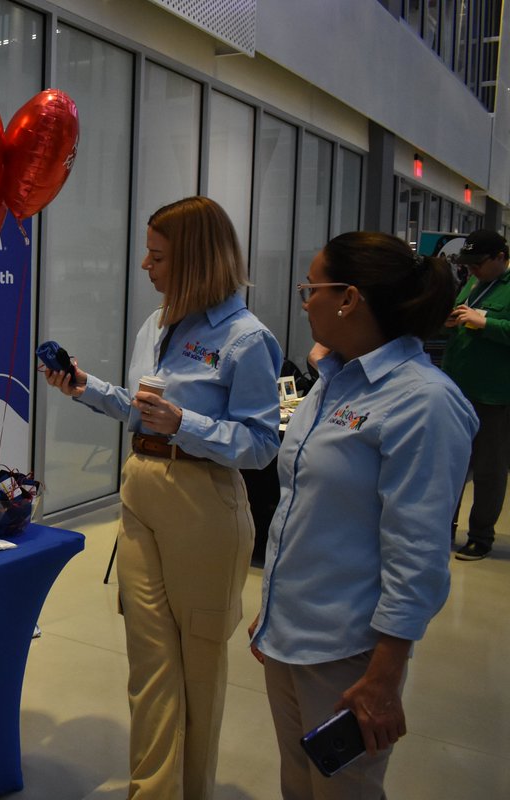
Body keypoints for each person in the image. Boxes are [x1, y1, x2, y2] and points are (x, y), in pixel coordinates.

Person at [43, 196, 282, 799]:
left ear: (196, 260)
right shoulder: (158, 323)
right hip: (142, 488)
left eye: (158, 256)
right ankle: (150, 791)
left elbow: (259, 445)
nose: (145, 267)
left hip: (205, 502)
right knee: (149, 664)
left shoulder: (246, 339)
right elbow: (140, 408)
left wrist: (187, 425)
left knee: (199, 667)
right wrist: (85, 387)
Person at [248, 232, 478, 800]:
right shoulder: (333, 382)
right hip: (289, 634)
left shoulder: (422, 401)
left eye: (311, 289)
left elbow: (417, 554)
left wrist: (384, 676)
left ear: (348, 298)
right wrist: (272, 610)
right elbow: (306, 514)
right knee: (299, 787)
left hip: (348, 653)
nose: (305, 303)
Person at [442, 229, 510, 561]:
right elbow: (460, 312)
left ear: (500, 257)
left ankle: (481, 535)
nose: (473, 271)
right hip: (458, 389)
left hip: (494, 395)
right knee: (452, 462)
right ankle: (443, 528)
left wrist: (485, 324)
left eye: (479, 264)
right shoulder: (473, 283)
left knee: (488, 469)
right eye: (468, 265)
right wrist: (453, 319)